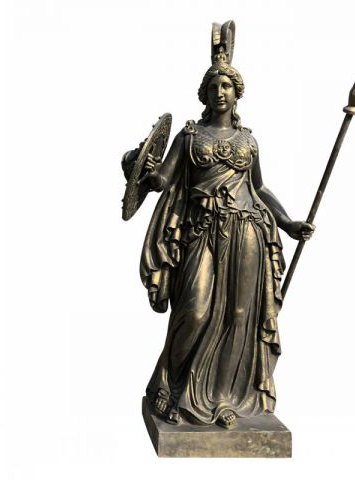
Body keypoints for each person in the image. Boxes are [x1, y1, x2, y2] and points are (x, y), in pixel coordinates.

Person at [122, 21, 314, 429]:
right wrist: (142, 169)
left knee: (239, 314)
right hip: (202, 230)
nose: (221, 92)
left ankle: (223, 398)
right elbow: (163, 181)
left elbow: (259, 188)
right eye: (214, 86)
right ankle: (169, 384)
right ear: (205, 94)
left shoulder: (248, 141)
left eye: (227, 85)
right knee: (194, 310)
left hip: (248, 230)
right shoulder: (189, 136)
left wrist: (288, 222)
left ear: (237, 92)